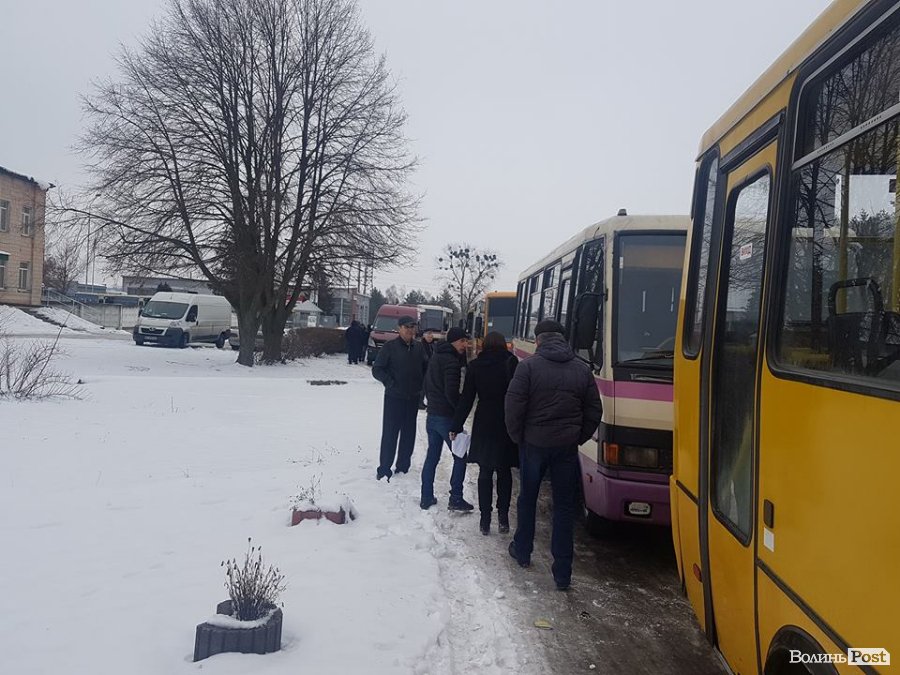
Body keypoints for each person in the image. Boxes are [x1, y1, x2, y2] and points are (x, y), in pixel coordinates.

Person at [505, 319, 602, 591]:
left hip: (533, 445)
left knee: (527, 499)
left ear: (538, 340)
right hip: (566, 448)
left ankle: (522, 551)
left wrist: (518, 437)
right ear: (562, 338)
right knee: (564, 508)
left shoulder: (528, 368)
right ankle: (562, 572)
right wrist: (578, 436)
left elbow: (513, 407)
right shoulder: (581, 370)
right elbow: (594, 410)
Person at [450, 331, 518, 535]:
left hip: (484, 421)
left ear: (484, 345)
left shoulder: (475, 366)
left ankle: (485, 519)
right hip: (506, 420)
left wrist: (456, 425)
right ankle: (503, 518)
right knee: (504, 471)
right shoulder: (512, 363)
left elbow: (467, 399)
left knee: (485, 471)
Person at [420, 326, 473, 511]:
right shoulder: (451, 362)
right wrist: (460, 411)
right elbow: (451, 393)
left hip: (432, 416)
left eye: (466, 341)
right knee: (460, 456)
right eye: (462, 341)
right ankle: (456, 498)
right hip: (446, 418)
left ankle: (426, 496)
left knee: (432, 457)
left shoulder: (435, 356)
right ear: (453, 341)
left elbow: (427, 384)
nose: (465, 345)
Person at [371, 315, 427, 481]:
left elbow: (426, 369)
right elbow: (377, 369)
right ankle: (384, 468)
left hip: (413, 397)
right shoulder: (390, 347)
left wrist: (422, 389)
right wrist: (390, 383)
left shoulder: (419, 348)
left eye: (412, 327)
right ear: (399, 328)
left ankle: (403, 466)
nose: (410, 330)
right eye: (406, 327)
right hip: (394, 397)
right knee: (390, 433)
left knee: (409, 433)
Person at [418, 330, 436, 410]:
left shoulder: (433, 345)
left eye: (431, 335)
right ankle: (419, 402)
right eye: (428, 335)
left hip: (430, 368)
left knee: (428, 387)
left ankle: (427, 402)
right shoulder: (421, 345)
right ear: (424, 336)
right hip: (423, 368)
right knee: (423, 386)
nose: (430, 337)